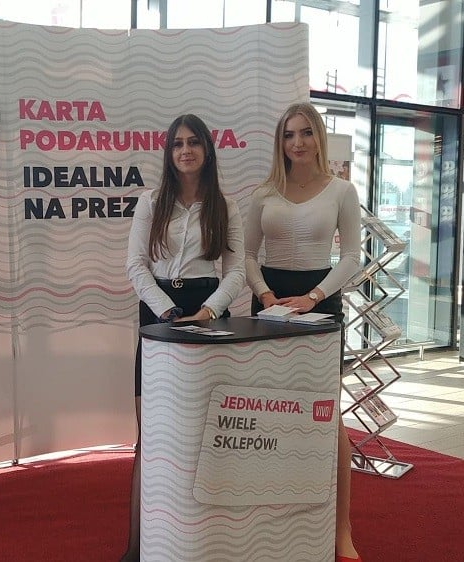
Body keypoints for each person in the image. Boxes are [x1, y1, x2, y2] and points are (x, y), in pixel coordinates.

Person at [121, 114, 245, 562]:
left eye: (193, 143)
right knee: (151, 440)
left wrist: (208, 311)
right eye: (177, 144)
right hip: (160, 317)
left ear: (207, 150)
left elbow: (235, 271)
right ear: (169, 152)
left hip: (208, 315)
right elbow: (136, 266)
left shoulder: (224, 206)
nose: (185, 151)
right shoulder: (150, 202)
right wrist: (169, 313)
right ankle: (137, 548)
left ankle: (203, 543)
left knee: (204, 435)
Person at [244, 102, 363, 562]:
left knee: (327, 414)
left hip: (320, 302)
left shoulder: (342, 191)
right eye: (289, 134)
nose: (298, 142)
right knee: (268, 407)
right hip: (269, 304)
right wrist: (264, 295)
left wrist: (314, 296)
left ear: (319, 138)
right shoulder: (263, 193)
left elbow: (350, 257)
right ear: (281, 141)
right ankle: (273, 516)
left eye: (306, 133)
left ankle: (341, 529)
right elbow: (247, 255)